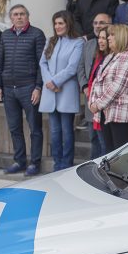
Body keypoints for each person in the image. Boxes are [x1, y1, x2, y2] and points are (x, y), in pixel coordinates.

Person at [0, 4, 45, 176]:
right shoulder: (5, 35)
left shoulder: (37, 34)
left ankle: (34, 163)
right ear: (11, 17)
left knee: (34, 128)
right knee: (14, 128)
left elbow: (41, 64)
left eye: (22, 14)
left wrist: (38, 87)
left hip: (28, 87)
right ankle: (19, 161)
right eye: (15, 14)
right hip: (9, 89)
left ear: (27, 16)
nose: (19, 17)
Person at [39, 10, 84, 171]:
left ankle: (67, 164)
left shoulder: (77, 42)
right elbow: (42, 63)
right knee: (55, 132)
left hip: (66, 90)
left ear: (68, 24)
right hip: (50, 91)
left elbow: (72, 67)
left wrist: (56, 81)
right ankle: (57, 164)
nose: (57, 26)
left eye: (61, 23)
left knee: (66, 131)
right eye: (55, 23)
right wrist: (49, 82)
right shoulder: (50, 41)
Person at [89, 24, 128, 152]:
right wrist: (92, 102)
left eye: (112, 35)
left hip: (119, 113)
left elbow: (118, 86)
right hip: (105, 111)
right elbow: (97, 82)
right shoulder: (110, 57)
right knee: (110, 152)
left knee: (119, 153)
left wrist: (97, 104)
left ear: (122, 37)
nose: (108, 38)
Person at [78, 16, 110, 159]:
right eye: (95, 23)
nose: (97, 26)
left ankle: (104, 169)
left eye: (102, 23)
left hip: (104, 102)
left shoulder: (113, 47)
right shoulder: (88, 44)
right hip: (89, 98)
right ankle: (93, 166)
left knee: (104, 141)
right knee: (93, 139)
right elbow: (80, 67)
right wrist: (84, 85)